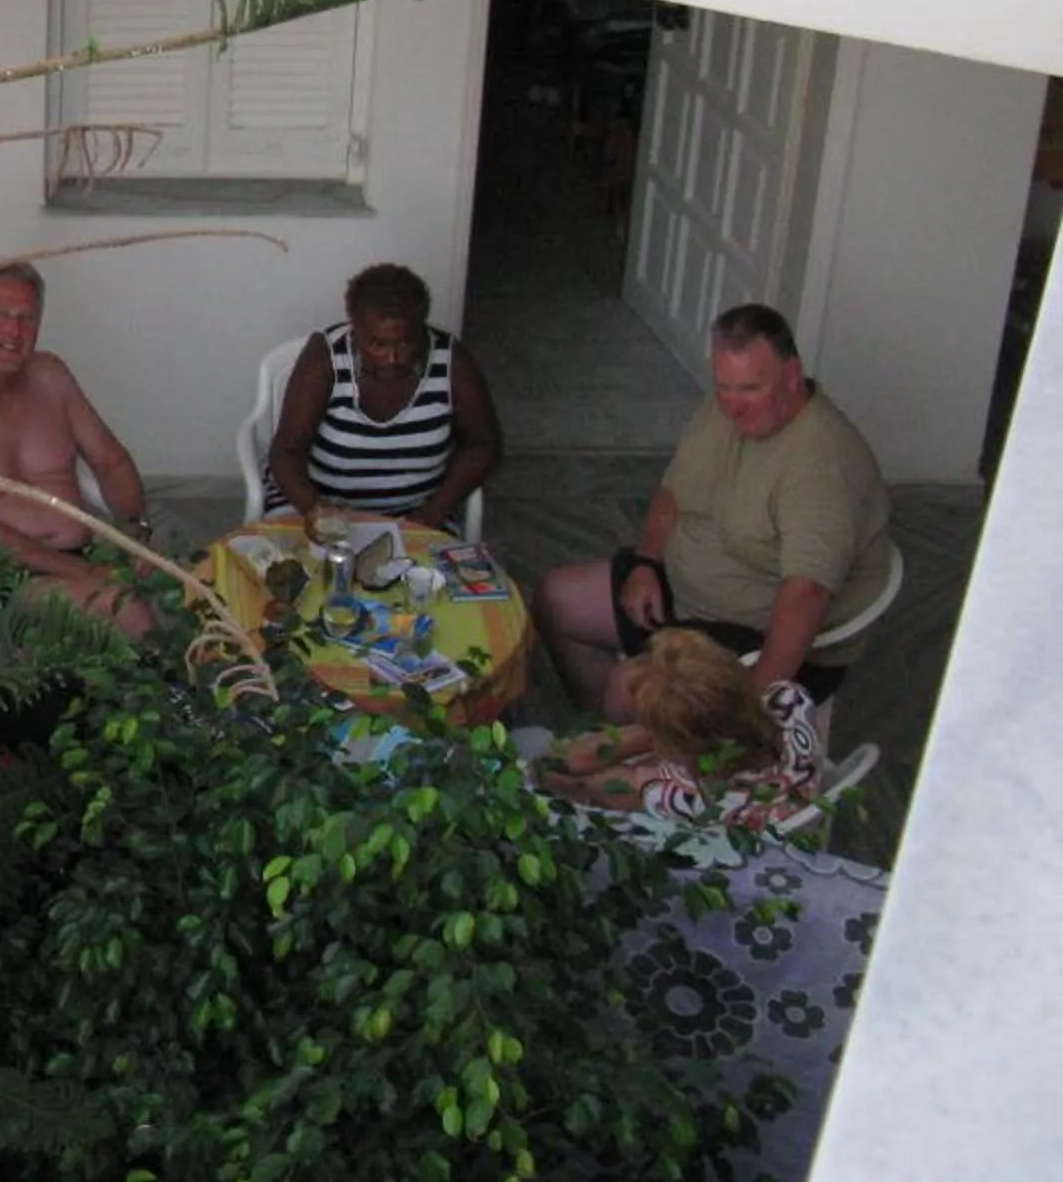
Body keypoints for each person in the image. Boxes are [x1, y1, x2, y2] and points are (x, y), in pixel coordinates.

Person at [533, 302, 892, 717]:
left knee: (630, 686)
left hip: (757, 635)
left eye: (750, 389)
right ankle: (604, 731)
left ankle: (638, 745)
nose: (733, 405)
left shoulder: (820, 466)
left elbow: (806, 595)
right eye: (724, 387)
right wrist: (646, 562)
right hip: (685, 593)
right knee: (556, 599)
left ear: (792, 375)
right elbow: (673, 491)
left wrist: (754, 707)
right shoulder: (722, 410)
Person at [0, 260, 155, 637]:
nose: (14, 331)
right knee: (126, 608)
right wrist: (89, 572)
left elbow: (110, 460)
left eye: (27, 318)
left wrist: (134, 534)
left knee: (197, 587)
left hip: (81, 559)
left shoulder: (51, 376)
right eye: (0, 316)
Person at [261, 262, 501, 531]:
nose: (392, 358)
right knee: (291, 558)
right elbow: (286, 449)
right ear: (355, 331)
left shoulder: (452, 361)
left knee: (426, 561)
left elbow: (483, 443)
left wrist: (432, 514)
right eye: (378, 344)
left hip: (419, 514)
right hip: (314, 506)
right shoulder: (326, 357)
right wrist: (318, 512)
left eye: (406, 343)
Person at [531, 627, 823, 830]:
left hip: (713, 848)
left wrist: (651, 732)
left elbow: (550, 770)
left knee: (530, 741)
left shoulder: (680, 796)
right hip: (786, 803)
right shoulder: (791, 700)